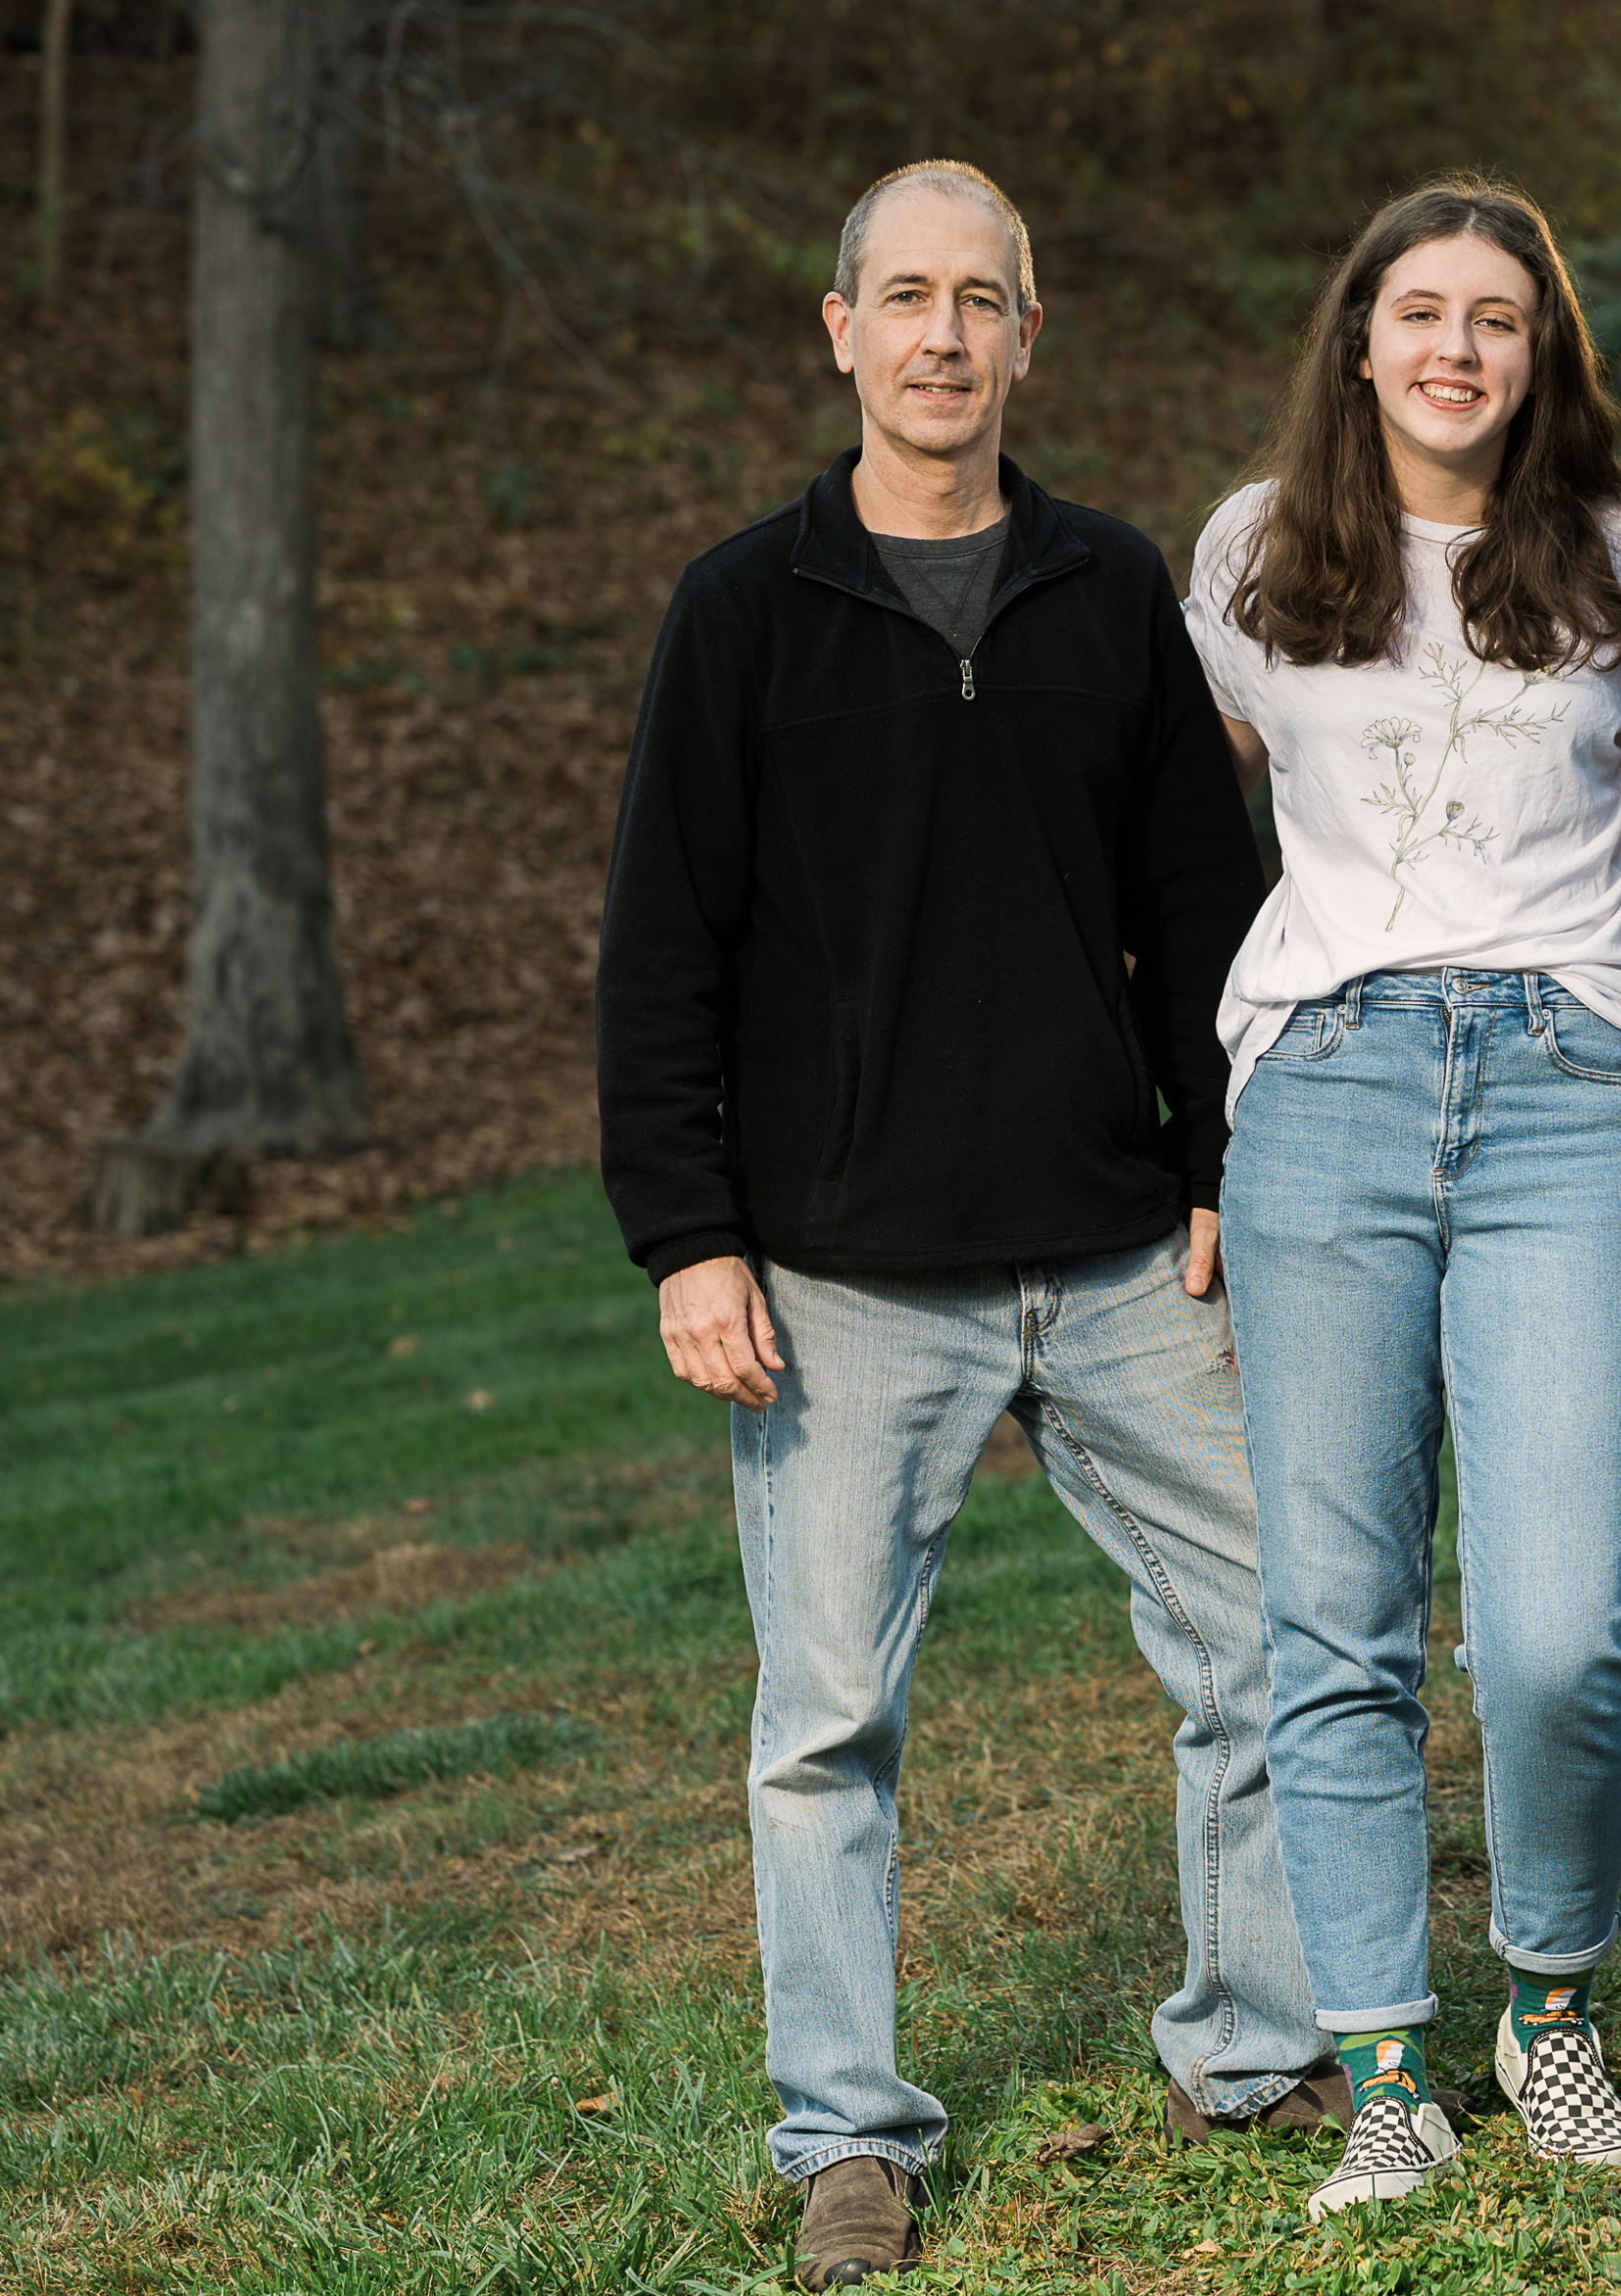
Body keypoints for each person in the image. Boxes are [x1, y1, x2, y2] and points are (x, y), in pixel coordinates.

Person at [594, 158, 1337, 2290]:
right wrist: (690, 1235)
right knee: (823, 1722)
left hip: (1119, 1255)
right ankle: (849, 2134)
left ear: (1031, 335)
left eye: (979, 301)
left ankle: (1258, 2039)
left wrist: (1221, 1173)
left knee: (1282, 1636)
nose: (939, 336)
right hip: (838, 1281)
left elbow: (1211, 916)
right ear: (838, 329)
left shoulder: (1109, 592)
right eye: (901, 298)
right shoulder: (743, 612)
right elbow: (664, 951)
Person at [1184, 177, 1621, 2219]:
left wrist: (1612, 996)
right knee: (1337, 1611)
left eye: (1499, 317)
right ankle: (1388, 2061)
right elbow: (1223, 805)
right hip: (1329, 1093)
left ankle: (1546, 2013)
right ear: (1360, 337)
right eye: (1422, 314)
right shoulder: (1250, 550)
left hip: (1575, 1095)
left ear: (1538, 349)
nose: (1459, 349)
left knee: (1557, 1624)